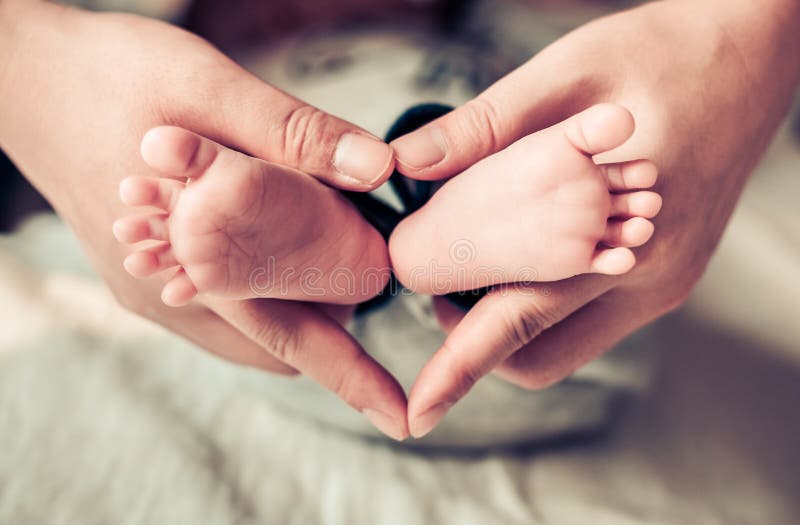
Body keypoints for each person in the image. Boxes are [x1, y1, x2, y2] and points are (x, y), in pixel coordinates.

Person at [0, 0, 797, 441]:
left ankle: (394, 246)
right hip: (335, 322)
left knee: (450, 142)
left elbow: (592, 56)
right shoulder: (177, 74)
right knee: (274, 187)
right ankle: (368, 243)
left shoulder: (468, 41)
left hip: (547, 302)